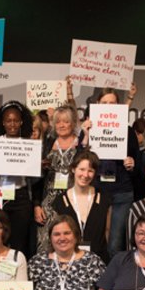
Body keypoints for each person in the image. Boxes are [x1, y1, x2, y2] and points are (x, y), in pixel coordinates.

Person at [87, 88, 140, 259]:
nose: (108, 107)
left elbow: (136, 160)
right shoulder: (89, 128)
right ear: (97, 105)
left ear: (119, 106)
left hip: (122, 192)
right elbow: (81, 158)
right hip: (96, 191)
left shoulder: (128, 131)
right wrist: (86, 134)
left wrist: (131, 163)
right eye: (104, 103)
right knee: (94, 241)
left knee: (115, 244)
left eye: (112, 103)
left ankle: (114, 282)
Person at [0, 100, 37, 257]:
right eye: (9, 120)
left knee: (19, 242)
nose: (12, 124)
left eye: (16, 120)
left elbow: (33, 181)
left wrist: (38, 167)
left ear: (21, 122)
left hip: (21, 197)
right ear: (3, 122)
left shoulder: (29, 144)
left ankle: (16, 276)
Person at [34, 105, 84, 252]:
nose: (62, 125)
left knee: (69, 243)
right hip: (48, 204)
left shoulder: (81, 145)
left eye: (66, 121)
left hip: (72, 202)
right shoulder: (48, 144)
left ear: (73, 123)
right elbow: (37, 179)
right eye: (58, 122)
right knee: (45, 243)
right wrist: (37, 205)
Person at [52, 150, 112, 261]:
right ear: (73, 169)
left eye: (90, 171)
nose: (85, 175)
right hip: (68, 261)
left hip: (98, 261)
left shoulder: (104, 199)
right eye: (82, 169)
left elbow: (107, 232)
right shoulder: (60, 201)